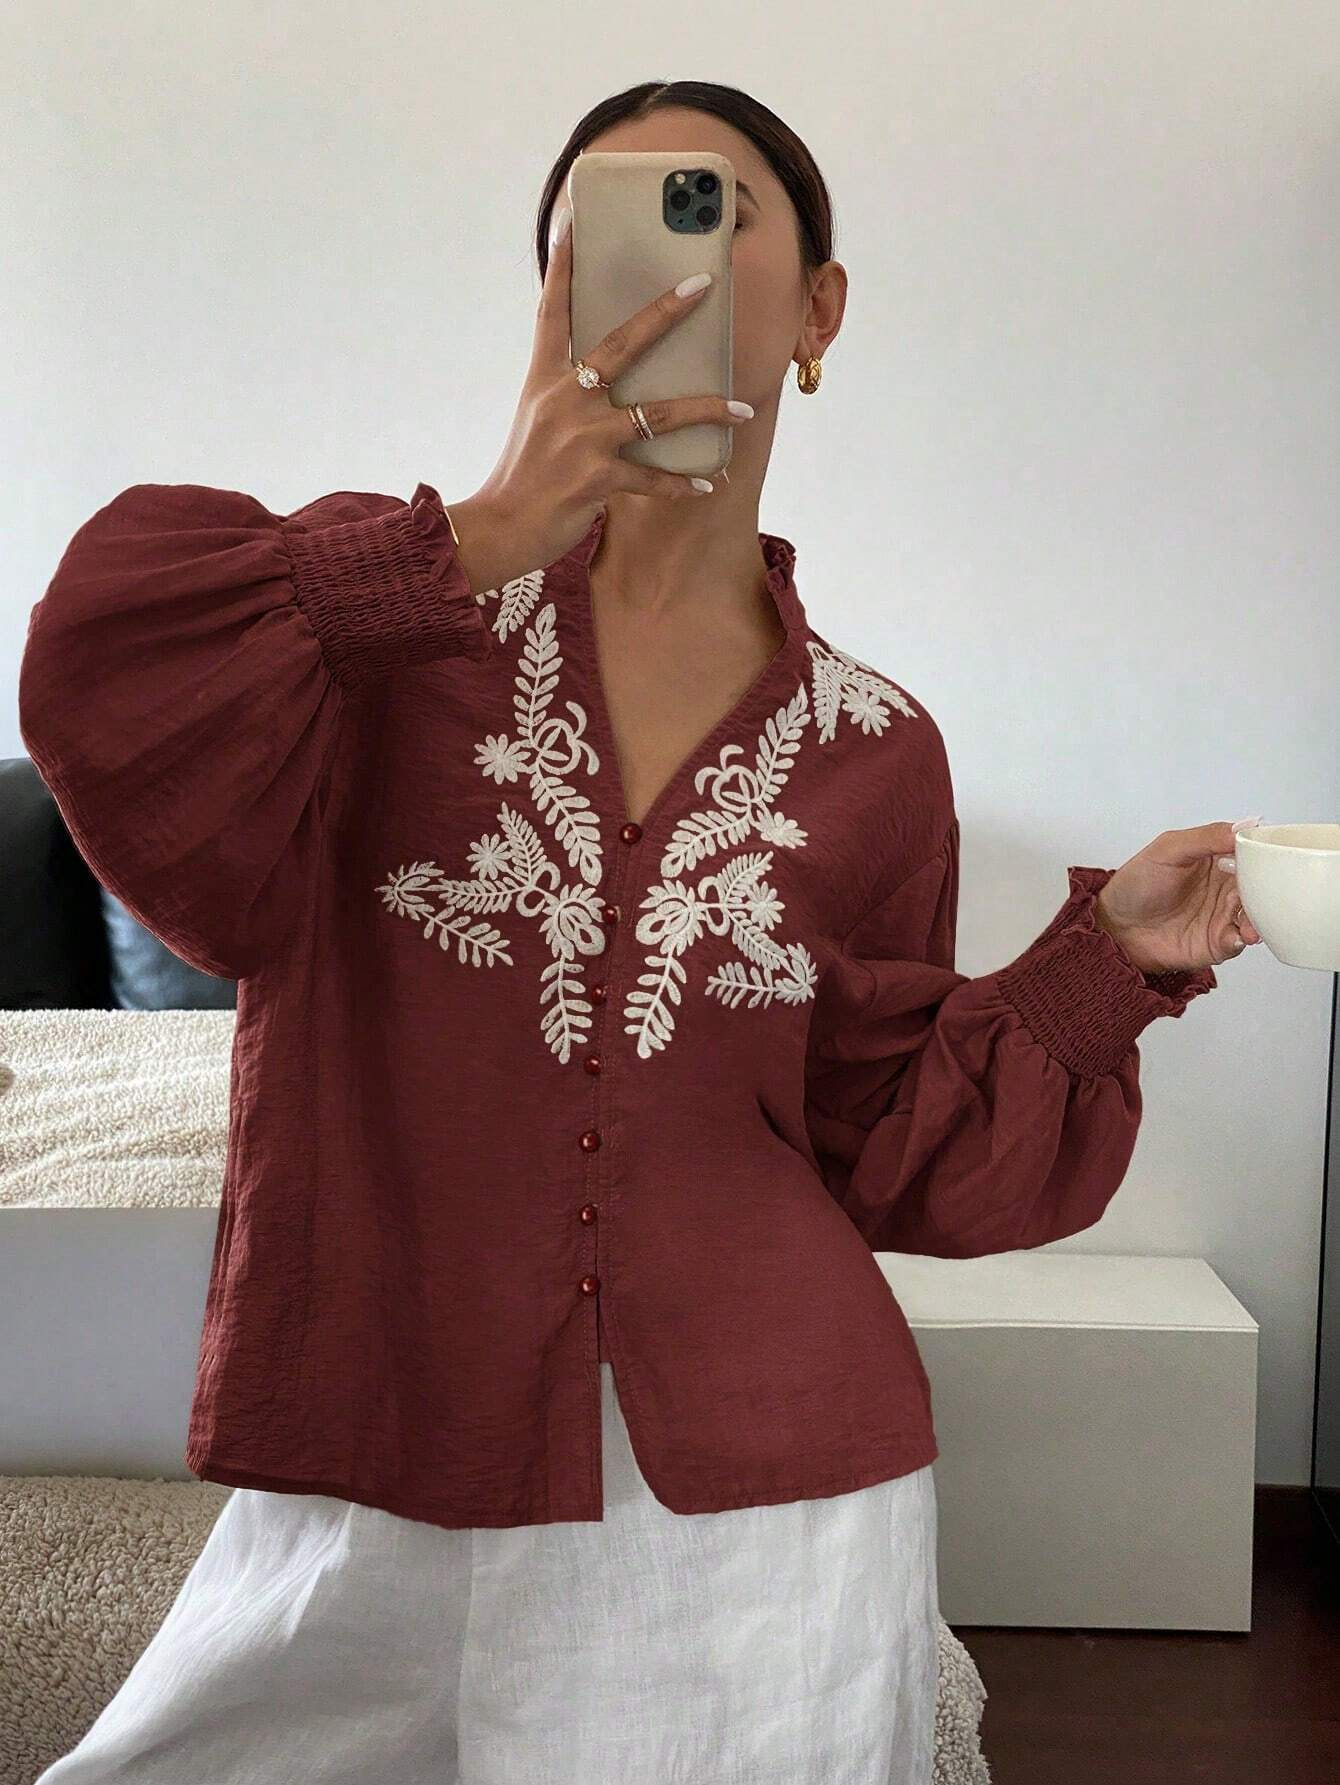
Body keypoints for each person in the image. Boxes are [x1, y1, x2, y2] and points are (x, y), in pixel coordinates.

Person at [21, 78, 1256, 1785]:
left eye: (715, 207)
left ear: (820, 311)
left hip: (769, 1521)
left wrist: (1104, 963)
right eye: (599, 227)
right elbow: (98, 666)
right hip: (376, 1432)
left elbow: (882, 1143)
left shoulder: (878, 749)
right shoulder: (371, 623)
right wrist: (481, 532)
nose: (664, 256)